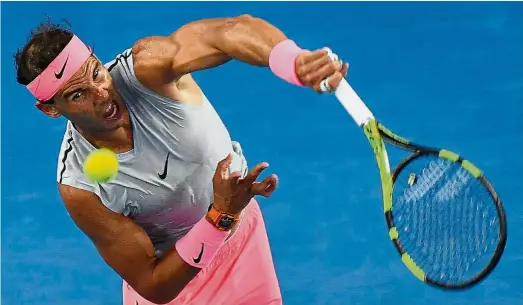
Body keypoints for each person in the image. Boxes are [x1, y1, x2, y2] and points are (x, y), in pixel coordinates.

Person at [14, 15, 348, 305]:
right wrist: (222, 214)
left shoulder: (146, 69)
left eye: (96, 74)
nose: (101, 96)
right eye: (77, 94)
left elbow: (229, 32)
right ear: (51, 109)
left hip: (246, 247)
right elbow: (154, 284)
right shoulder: (79, 188)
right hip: (181, 286)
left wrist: (292, 62)